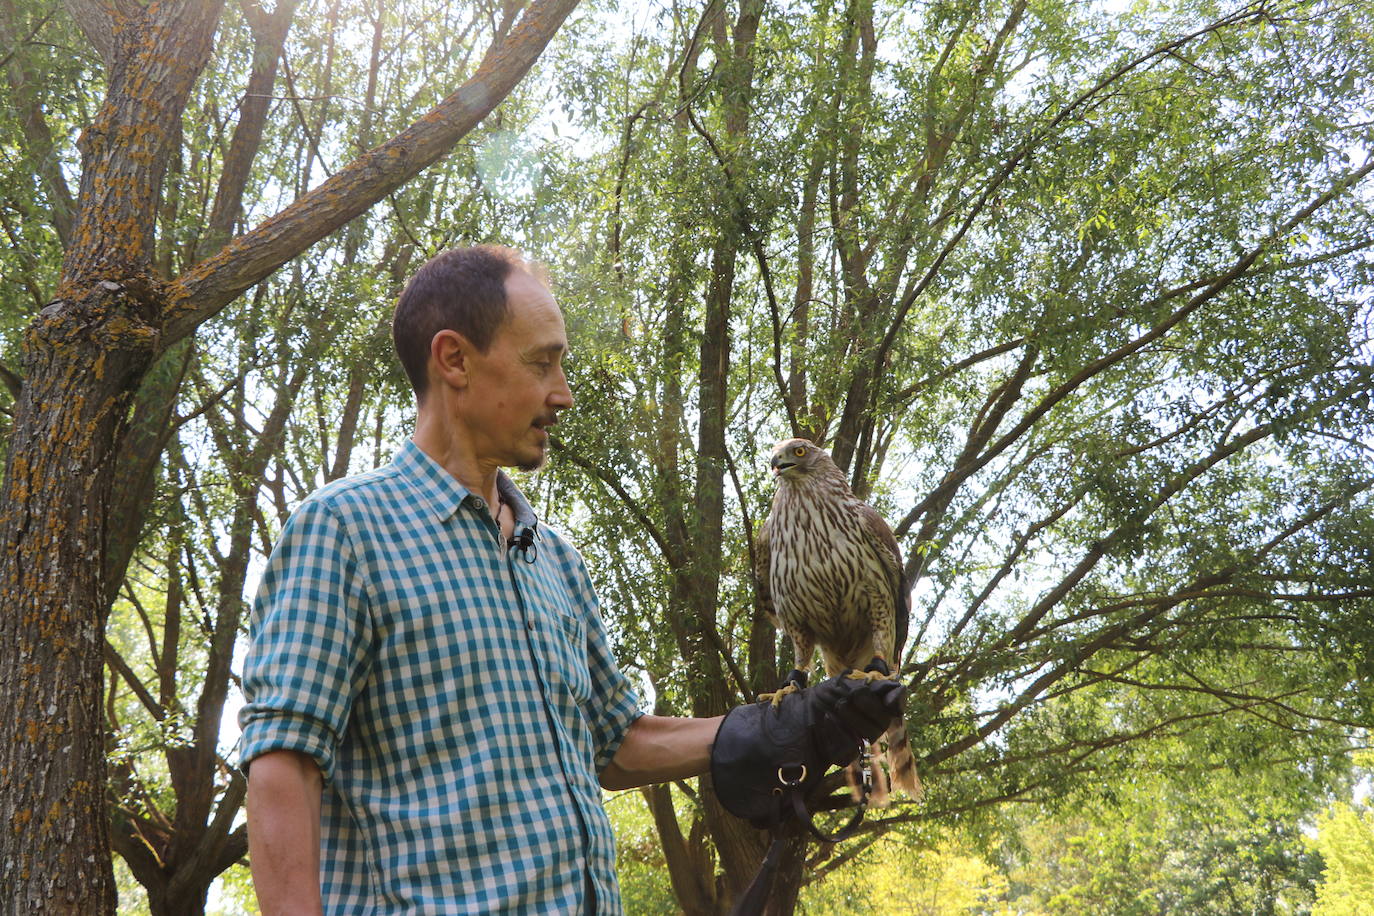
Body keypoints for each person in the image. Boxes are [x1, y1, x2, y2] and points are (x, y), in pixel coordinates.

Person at [238, 245, 900, 915]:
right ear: (454, 360)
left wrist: (775, 726)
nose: (564, 393)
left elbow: (617, 743)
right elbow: (283, 765)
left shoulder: (553, 557)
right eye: (541, 362)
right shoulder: (346, 529)